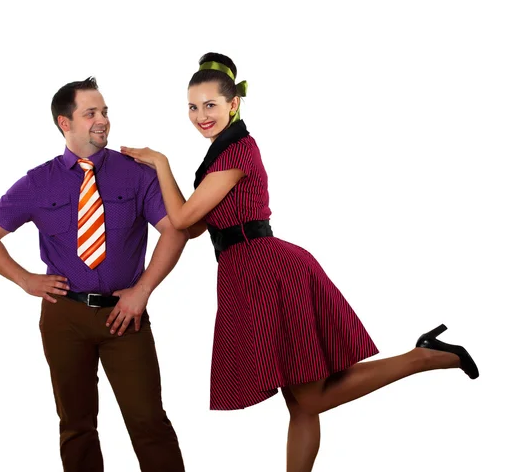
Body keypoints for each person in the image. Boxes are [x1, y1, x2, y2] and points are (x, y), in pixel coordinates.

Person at [120, 53, 479, 472]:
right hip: (246, 273)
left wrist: (159, 163)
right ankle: (424, 355)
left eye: (210, 105)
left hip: (267, 271)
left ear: (233, 104)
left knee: (310, 397)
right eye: (193, 107)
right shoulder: (217, 156)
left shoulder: (237, 149)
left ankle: (423, 357)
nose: (200, 115)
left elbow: (181, 218)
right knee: (302, 404)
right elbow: (196, 226)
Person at [0, 77, 188, 472]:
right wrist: (25, 279)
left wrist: (143, 290)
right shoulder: (38, 181)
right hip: (64, 316)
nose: (102, 120)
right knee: (76, 426)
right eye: (91, 113)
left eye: (104, 112)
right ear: (64, 123)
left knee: (148, 422)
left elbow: (176, 229)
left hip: (125, 314)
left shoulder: (135, 173)